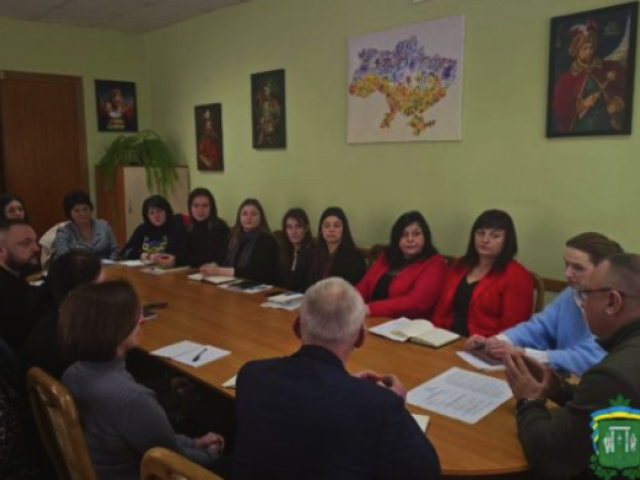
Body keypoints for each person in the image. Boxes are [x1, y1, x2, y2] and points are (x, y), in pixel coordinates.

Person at [234, 277, 441, 479]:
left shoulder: (251, 375)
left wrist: (350, 387)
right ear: (360, 337)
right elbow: (427, 470)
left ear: (297, 327)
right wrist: (397, 404)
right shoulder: (381, 407)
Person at [60, 280, 224, 480]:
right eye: (137, 316)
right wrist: (211, 454)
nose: (143, 321)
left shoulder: (73, 374)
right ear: (113, 328)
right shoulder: (130, 398)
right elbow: (174, 462)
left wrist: (195, 443)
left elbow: (154, 437)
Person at [505, 253, 640, 479]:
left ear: (612, 302)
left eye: (586, 294)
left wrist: (529, 400)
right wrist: (559, 390)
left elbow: (551, 458)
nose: (582, 303)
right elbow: (608, 405)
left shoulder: (612, 376)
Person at [466, 232, 623, 375]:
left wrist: (523, 354)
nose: (567, 273)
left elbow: (590, 357)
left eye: (578, 268)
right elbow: (540, 326)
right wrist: (499, 341)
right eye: (566, 264)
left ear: (603, 271)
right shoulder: (572, 292)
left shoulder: (617, 306)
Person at [432, 209, 533, 337]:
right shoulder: (461, 264)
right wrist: (433, 334)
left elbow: (511, 329)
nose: (485, 240)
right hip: (446, 337)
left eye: (495, 236)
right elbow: (441, 308)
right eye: (480, 233)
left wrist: (485, 345)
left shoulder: (518, 276)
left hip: (485, 344)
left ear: (507, 240)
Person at [23, 250, 104, 379]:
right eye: (101, 288)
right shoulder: (73, 338)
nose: (107, 294)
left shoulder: (53, 316)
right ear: (75, 296)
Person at [357, 211, 447, 319]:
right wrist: (351, 303)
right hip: (372, 318)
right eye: (404, 235)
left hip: (407, 324)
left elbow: (416, 302)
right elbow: (364, 286)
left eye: (416, 234)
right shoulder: (387, 256)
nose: (410, 239)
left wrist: (370, 309)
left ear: (425, 236)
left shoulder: (435, 263)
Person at [552, 21, 627, 133]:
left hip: (607, 120)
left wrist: (616, 102)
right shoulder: (566, 78)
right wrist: (582, 104)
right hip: (581, 126)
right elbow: (558, 105)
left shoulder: (603, 67)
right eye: (584, 48)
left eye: (591, 48)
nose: (589, 52)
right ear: (576, 51)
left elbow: (626, 81)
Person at [200, 198, 278, 285]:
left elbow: (255, 272)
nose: (248, 217)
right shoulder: (232, 237)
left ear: (261, 218)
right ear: (239, 217)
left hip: (257, 287)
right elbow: (220, 259)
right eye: (244, 214)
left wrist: (219, 271)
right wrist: (213, 265)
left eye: (253, 214)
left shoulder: (267, 240)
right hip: (229, 283)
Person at [0, 220, 42, 352]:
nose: (36, 248)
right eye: (25, 243)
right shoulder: (10, 291)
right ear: (1, 250)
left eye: (35, 241)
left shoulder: (15, 277)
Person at [52, 190, 119, 261]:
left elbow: (115, 250)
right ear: (70, 214)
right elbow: (63, 258)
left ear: (90, 208)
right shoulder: (64, 232)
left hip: (106, 266)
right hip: (77, 267)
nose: (83, 213)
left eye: (85, 209)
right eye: (77, 211)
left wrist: (111, 261)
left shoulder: (103, 226)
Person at [122, 195, 185, 267]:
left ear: (166, 211)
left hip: (170, 270)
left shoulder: (177, 227)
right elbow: (126, 252)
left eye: (159, 211)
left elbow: (184, 255)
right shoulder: (142, 229)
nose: (156, 216)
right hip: (146, 270)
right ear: (147, 216)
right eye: (151, 213)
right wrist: (147, 256)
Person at [310, 207, 367, 286]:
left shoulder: (356, 257)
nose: (331, 229)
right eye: (326, 225)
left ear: (344, 229)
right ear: (321, 229)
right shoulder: (315, 253)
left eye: (336, 225)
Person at [178, 188, 229, 268]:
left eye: (205, 206)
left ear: (211, 207)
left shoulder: (220, 228)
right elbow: (182, 257)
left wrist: (189, 261)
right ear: (190, 207)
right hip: (189, 271)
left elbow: (214, 259)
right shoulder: (188, 228)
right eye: (196, 206)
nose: (200, 210)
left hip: (212, 272)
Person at [278, 208, 314, 292]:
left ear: (306, 228)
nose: (293, 232)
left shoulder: (313, 253)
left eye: (298, 227)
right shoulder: (282, 252)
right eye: (289, 227)